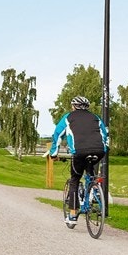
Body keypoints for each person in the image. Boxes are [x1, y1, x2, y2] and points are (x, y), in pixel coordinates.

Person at [50, 95, 109, 229]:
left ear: (73, 106)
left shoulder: (68, 117)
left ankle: (72, 215)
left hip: (80, 152)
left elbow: (58, 135)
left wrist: (54, 154)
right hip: (99, 151)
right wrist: (104, 149)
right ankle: (94, 191)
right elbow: (105, 135)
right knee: (90, 173)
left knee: (75, 180)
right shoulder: (96, 118)